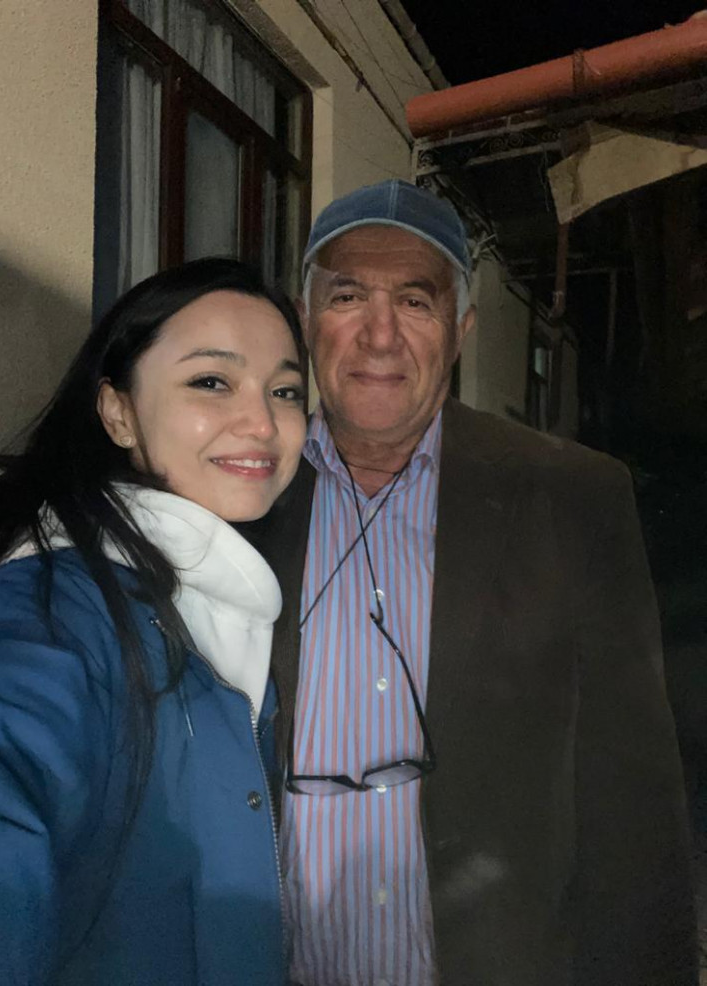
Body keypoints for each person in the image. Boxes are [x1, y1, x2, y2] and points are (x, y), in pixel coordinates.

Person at [255, 181, 697, 986]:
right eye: (348, 295)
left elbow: (634, 802)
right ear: (305, 318)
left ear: (459, 330)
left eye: (415, 301)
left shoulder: (572, 496)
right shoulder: (244, 494)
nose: (380, 335)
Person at [0, 258, 308, 986]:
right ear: (118, 411)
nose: (262, 423)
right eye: (211, 381)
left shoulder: (214, 596)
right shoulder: (58, 603)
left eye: (284, 391)